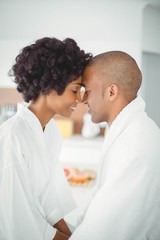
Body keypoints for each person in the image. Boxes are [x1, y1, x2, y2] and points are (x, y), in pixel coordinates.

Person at [0, 37, 92, 240]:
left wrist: (70, 235)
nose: (78, 99)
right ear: (49, 86)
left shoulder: (50, 131)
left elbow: (50, 197)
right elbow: (18, 221)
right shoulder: (12, 137)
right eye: (75, 90)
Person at [69, 51, 160, 240]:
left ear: (111, 92)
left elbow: (105, 230)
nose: (83, 99)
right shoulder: (127, 130)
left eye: (88, 91)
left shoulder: (137, 143)